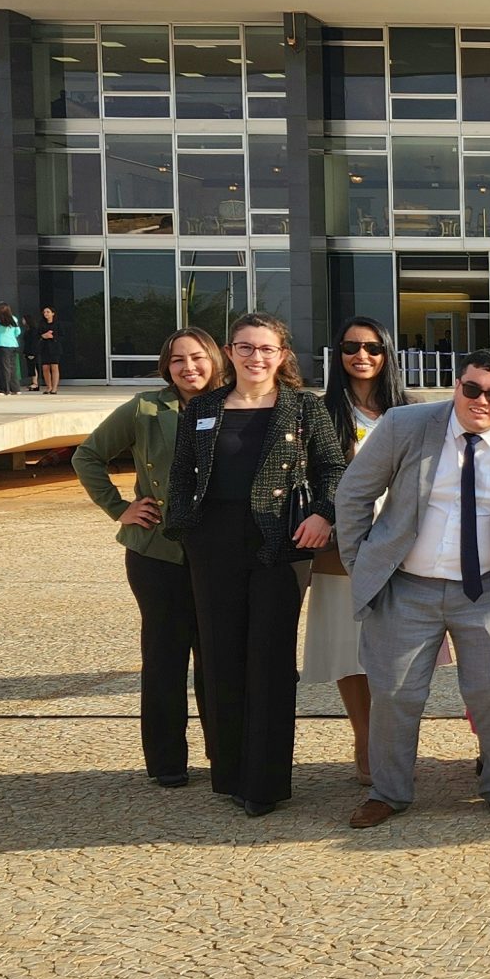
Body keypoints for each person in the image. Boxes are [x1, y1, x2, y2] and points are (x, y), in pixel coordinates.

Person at [337, 350, 490, 828]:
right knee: (395, 694)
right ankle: (388, 793)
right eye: (472, 388)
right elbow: (354, 493)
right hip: (406, 587)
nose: (481, 400)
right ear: (457, 384)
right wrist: (362, 565)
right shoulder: (405, 424)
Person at [162, 312, 346, 817]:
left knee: (270, 660)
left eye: (266, 349)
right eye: (245, 347)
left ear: (282, 355)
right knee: (220, 657)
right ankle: (230, 774)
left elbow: (334, 469)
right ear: (229, 352)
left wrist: (323, 515)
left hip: (280, 543)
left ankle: (264, 784)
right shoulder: (203, 407)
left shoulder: (304, 407)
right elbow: (181, 474)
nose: (255, 357)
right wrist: (185, 527)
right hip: (213, 544)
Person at [74, 328, 226, 787]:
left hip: (219, 552)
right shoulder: (145, 408)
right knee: (164, 658)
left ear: (215, 359)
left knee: (218, 660)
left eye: (197, 357)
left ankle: (226, 757)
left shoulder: (236, 403)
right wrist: (120, 508)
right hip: (158, 553)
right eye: (177, 360)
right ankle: (167, 762)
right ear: (166, 367)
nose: (188, 367)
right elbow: (87, 456)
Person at [306, 317, 415, 788]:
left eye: (372, 347)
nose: (361, 356)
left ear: (387, 353)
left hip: (402, 549)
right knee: (347, 648)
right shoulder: (320, 411)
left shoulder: (409, 411)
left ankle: (392, 739)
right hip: (341, 549)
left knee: (397, 652)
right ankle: (365, 736)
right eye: (350, 347)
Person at [33, 305, 66, 395]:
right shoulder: (41, 323)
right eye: (44, 312)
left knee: (54, 367)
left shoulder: (58, 324)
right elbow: (37, 335)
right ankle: (49, 387)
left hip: (55, 348)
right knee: (45, 368)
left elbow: (62, 337)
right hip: (44, 348)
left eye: (48, 312)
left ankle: (54, 388)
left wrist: (53, 337)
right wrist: (43, 336)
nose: (46, 314)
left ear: (53, 313)